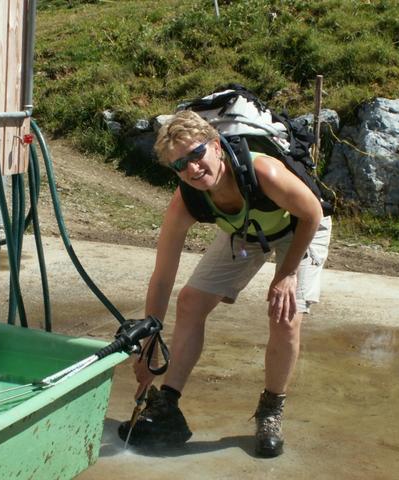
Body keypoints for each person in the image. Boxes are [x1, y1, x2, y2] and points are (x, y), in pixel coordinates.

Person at [117, 110, 332, 458]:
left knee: (284, 315)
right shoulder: (186, 200)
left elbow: (312, 213)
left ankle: (270, 411)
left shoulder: (264, 172)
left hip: (301, 227)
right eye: (179, 165)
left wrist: (287, 273)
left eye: (197, 154)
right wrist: (149, 344)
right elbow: (163, 276)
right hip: (246, 232)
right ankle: (168, 405)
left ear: (216, 146)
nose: (192, 169)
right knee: (190, 300)